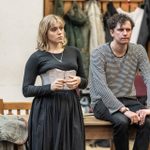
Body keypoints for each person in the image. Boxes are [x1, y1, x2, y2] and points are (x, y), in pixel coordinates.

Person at [22, 14, 87, 150]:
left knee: (72, 144)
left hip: (71, 106)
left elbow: (85, 81)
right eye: (54, 29)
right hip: (47, 107)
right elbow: (26, 90)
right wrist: (49, 87)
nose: (59, 32)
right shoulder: (37, 57)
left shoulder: (74, 52)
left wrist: (79, 81)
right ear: (45, 33)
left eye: (61, 28)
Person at [89, 13, 150, 150]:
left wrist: (148, 108)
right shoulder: (98, 53)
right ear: (111, 32)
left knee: (146, 121)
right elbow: (101, 87)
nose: (125, 33)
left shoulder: (139, 51)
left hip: (128, 99)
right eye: (120, 30)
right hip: (102, 102)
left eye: (128, 30)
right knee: (122, 121)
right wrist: (124, 110)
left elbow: (149, 79)